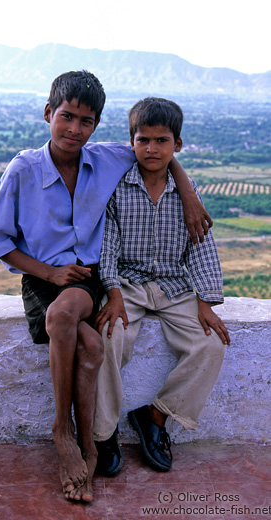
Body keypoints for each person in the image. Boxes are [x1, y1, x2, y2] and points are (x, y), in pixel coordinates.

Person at [0, 72, 212, 503]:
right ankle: (76, 436)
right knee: (90, 346)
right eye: (66, 117)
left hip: (87, 279)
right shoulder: (22, 170)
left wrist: (187, 192)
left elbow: (156, 150)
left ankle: (73, 436)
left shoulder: (106, 158)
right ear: (49, 113)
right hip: (42, 278)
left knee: (68, 309)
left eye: (86, 121)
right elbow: (0, 244)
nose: (74, 129)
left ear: (96, 126)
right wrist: (49, 274)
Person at [94, 97, 230, 477]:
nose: (151, 149)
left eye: (161, 140)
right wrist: (113, 293)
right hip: (129, 284)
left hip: (175, 286)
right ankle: (102, 434)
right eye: (143, 140)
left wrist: (205, 300)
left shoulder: (187, 193)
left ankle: (155, 417)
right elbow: (107, 246)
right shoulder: (118, 187)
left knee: (211, 344)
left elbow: (201, 247)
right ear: (131, 142)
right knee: (108, 337)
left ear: (177, 145)